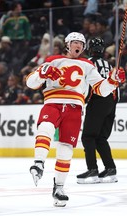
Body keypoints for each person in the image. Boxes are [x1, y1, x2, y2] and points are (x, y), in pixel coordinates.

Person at [26, 32, 125, 207]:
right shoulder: (53, 59)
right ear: (67, 44)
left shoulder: (87, 65)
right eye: (75, 42)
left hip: (74, 108)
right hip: (53, 102)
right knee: (46, 127)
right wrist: (43, 72)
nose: (78, 45)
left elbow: (101, 89)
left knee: (66, 148)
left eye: (81, 43)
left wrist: (113, 81)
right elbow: (30, 83)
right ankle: (39, 163)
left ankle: (59, 188)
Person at [77, 38, 120, 184]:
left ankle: (92, 170)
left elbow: (86, 85)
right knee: (101, 138)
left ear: (89, 48)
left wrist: (83, 101)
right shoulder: (109, 64)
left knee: (88, 137)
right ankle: (110, 168)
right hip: (111, 102)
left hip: (97, 100)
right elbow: (115, 85)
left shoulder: (88, 63)